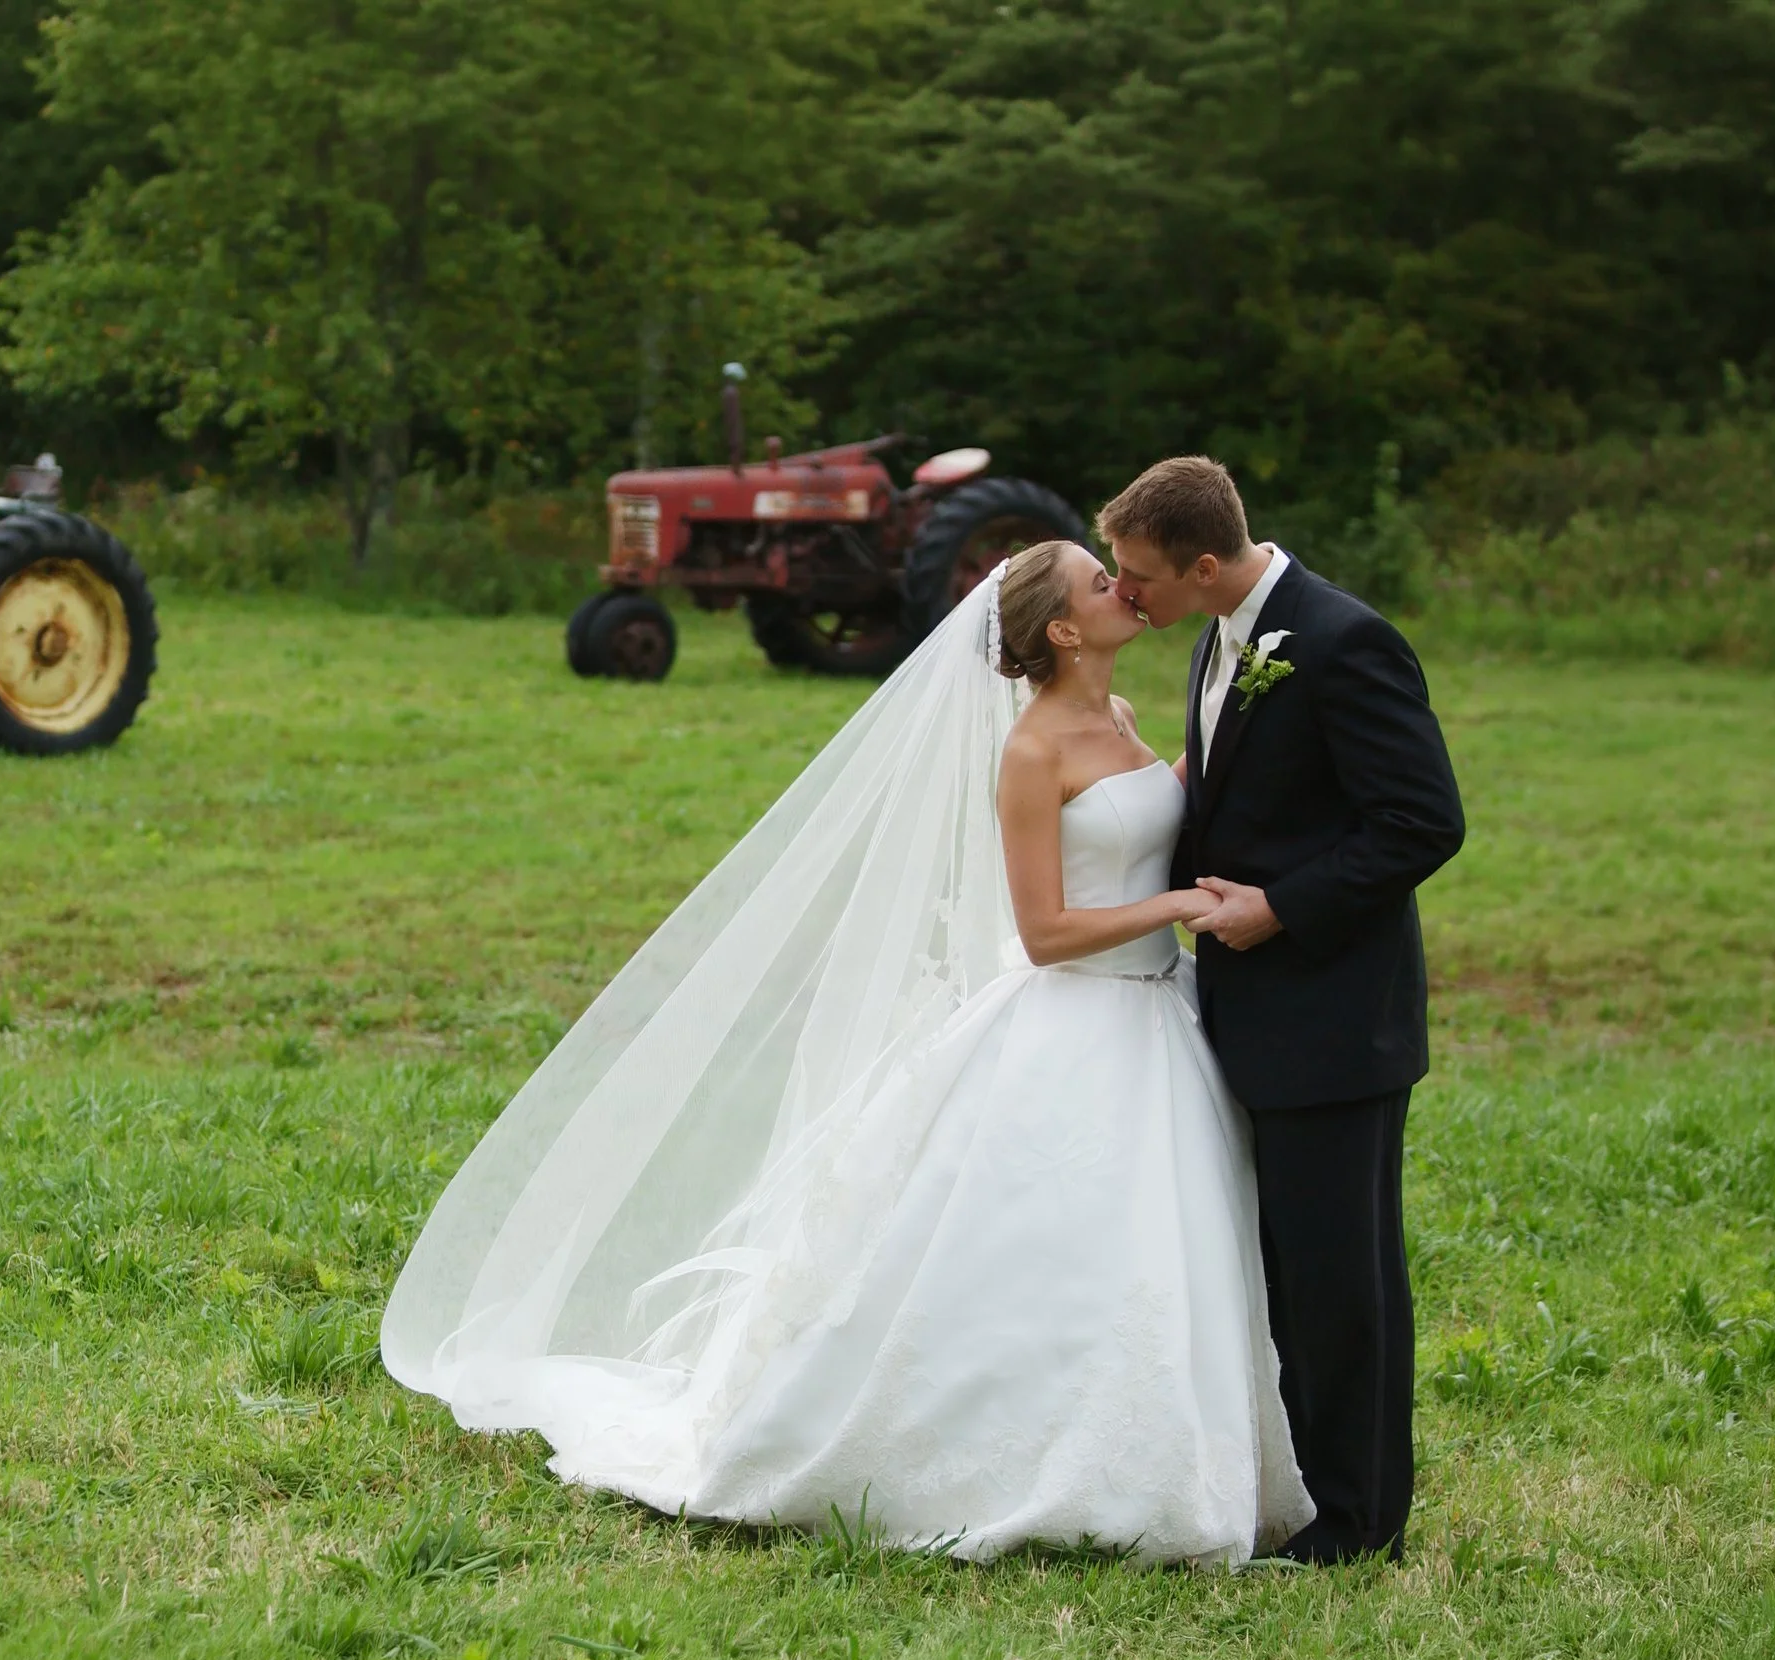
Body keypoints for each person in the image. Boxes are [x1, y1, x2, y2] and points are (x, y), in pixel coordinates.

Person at [382, 542, 1314, 1568]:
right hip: (1074, 1013)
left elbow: (1158, 809)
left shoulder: (1125, 718)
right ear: (1059, 630)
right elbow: (1044, 930)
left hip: (1153, 1020)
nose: (1121, 589)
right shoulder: (1033, 750)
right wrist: (1180, 904)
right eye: (1100, 583)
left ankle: (1157, 1454)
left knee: (1156, 1250)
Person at [1101, 457, 1465, 1564]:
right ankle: (1313, 1497)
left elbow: (1422, 822)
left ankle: (1359, 1525)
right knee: (1289, 1277)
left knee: (1340, 1282)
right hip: (1249, 1017)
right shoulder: (1222, 635)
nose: (1128, 597)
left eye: (1138, 576)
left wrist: (1280, 907)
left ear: (1202, 565)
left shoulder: (1344, 641)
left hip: (1335, 1022)